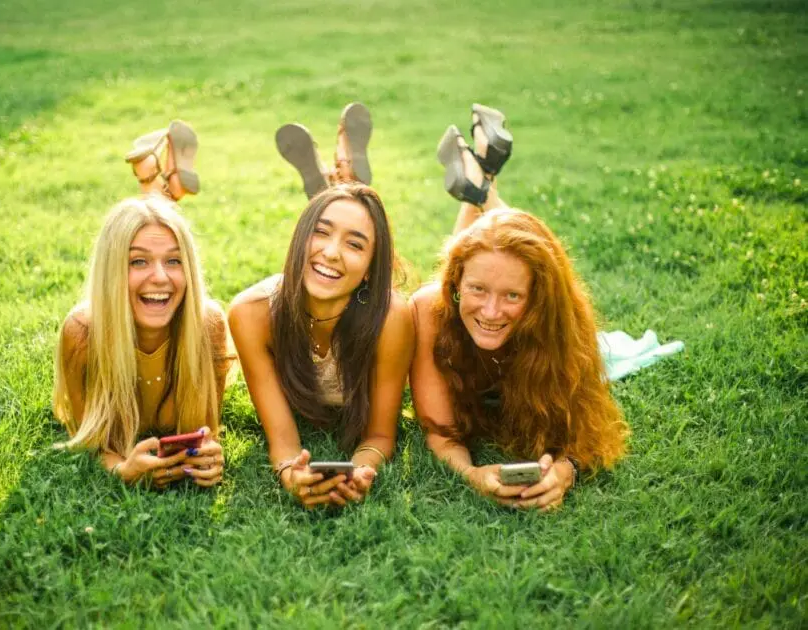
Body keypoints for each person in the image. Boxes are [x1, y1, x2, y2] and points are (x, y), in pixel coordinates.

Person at [409, 104, 629, 511]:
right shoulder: (427, 310)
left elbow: (585, 433)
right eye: (476, 290)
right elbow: (441, 433)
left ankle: (481, 184)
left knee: (502, 254)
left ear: (538, 297)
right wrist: (472, 474)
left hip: (517, 290)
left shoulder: (560, 315)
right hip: (446, 297)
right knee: (488, 256)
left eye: (513, 296)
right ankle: (482, 185)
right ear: (455, 284)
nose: (492, 312)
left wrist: (566, 471)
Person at [229, 104, 414, 509]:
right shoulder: (251, 314)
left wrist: (362, 471)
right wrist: (292, 474)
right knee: (346, 214)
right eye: (320, 233)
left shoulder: (393, 318)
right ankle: (343, 178)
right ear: (299, 238)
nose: (331, 253)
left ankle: (344, 178)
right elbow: (283, 441)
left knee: (349, 213)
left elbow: (380, 436)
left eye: (355, 244)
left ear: (369, 270)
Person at [52, 127, 232, 488]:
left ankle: (153, 178)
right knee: (148, 230)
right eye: (137, 262)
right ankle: (152, 177)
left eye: (175, 261)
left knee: (155, 229)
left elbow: (206, 429)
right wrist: (121, 469)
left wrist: (209, 452)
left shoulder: (208, 323)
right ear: (112, 273)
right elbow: (90, 439)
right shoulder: (83, 333)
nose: (161, 278)